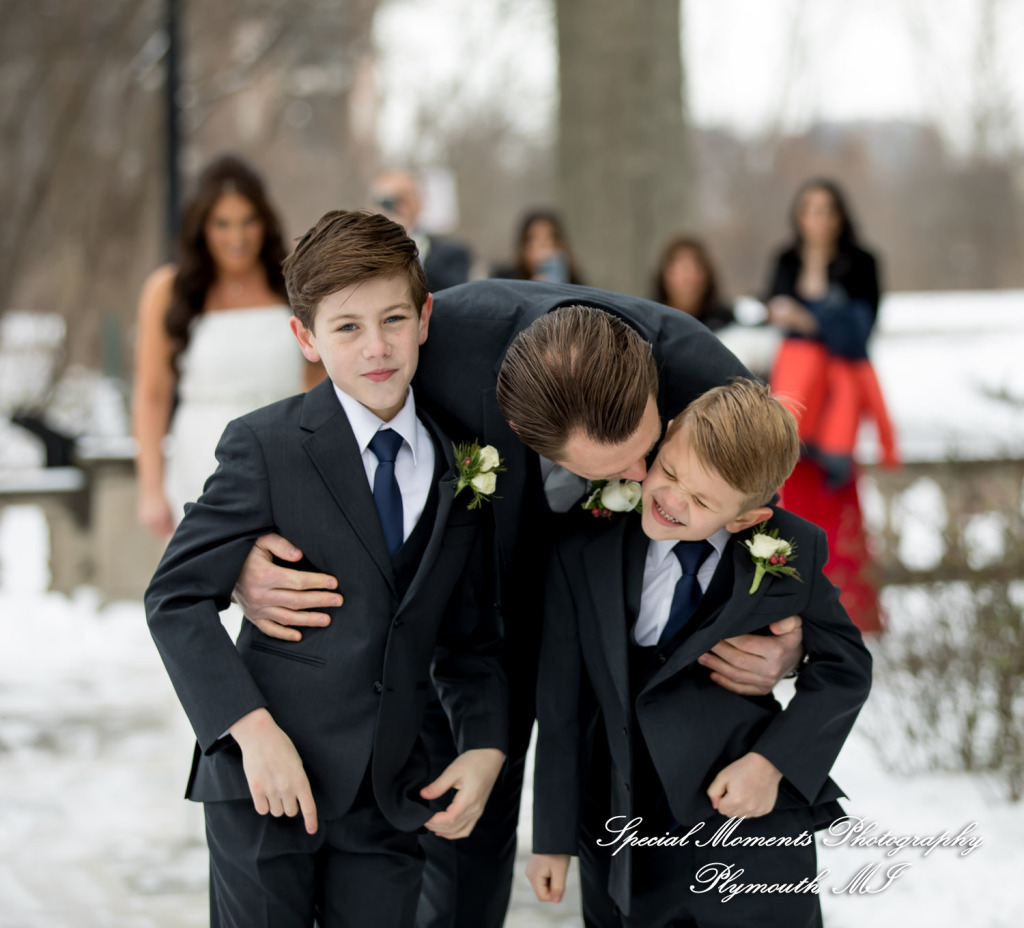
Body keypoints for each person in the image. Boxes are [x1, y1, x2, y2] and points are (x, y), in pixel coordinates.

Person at [231, 279, 810, 928]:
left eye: (650, 452)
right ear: (526, 439)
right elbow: (315, 443)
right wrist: (246, 551)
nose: (644, 477)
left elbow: (766, 532)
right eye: (618, 468)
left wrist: (787, 640)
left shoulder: (711, 383)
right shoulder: (431, 346)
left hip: (603, 645)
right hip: (460, 626)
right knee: (455, 851)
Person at [144, 210, 508, 927]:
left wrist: (487, 745)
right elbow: (175, 598)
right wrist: (251, 732)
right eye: (346, 327)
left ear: (426, 317)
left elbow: (469, 637)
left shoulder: (462, 461)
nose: (376, 347)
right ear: (305, 336)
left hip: (388, 796)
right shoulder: (265, 444)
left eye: (394, 319)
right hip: (264, 785)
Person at [527, 378, 872, 927]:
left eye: (702, 500)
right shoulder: (585, 544)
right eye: (669, 472)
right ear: (661, 442)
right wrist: (551, 837)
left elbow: (846, 669)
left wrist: (771, 764)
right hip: (624, 824)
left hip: (750, 825)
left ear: (746, 518)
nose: (671, 500)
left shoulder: (792, 549)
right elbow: (563, 701)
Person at [132, 154, 316, 537]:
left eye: (248, 221)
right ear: (202, 227)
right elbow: (151, 394)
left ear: (265, 222)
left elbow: (319, 382)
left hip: (286, 461)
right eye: (222, 224)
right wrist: (151, 489)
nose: (237, 237)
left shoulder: (296, 285)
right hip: (199, 465)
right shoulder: (168, 291)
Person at [765, 178, 899, 634]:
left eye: (827, 209)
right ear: (798, 216)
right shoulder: (786, 261)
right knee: (790, 504)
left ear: (841, 216)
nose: (818, 218)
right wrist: (817, 316)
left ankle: (854, 614)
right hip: (794, 405)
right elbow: (775, 324)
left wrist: (808, 317)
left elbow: (856, 338)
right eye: (810, 209)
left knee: (839, 512)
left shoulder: (863, 263)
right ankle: (790, 613)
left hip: (837, 410)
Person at [370, 169, 472, 292]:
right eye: (386, 202)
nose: (394, 208)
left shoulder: (453, 254)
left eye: (402, 200)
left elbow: (454, 294)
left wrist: (403, 240)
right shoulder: (364, 251)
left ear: (419, 203)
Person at [651, 235, 734, 332]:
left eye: (695, 272)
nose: (688, 279)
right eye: (681, 271)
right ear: (665, 275)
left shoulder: (724, 321)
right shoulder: (648, 319)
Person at [492, 209, 586, 284]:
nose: (543, 246)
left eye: (549, 238)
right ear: (524, 247)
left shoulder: (574, 280)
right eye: (535, 239)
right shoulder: (505, 280)